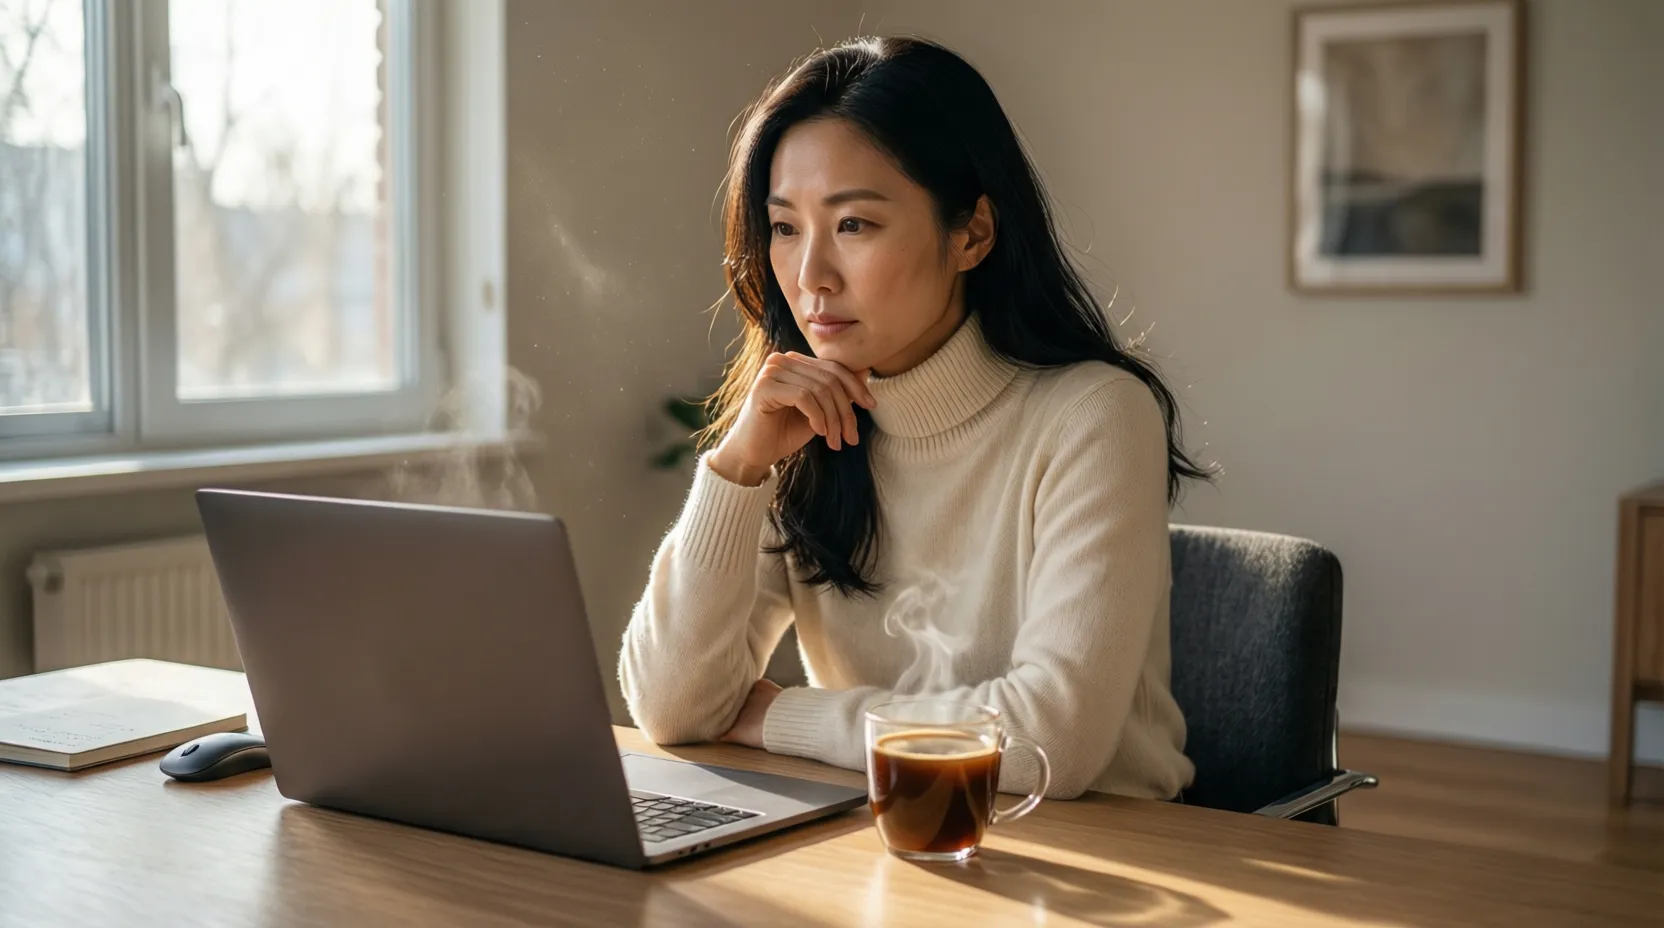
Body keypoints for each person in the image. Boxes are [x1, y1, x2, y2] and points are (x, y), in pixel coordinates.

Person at [618, 36, 1212, 800]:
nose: (809, 277)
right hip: (880, 844)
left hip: (1103, 861)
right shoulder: (803, 422)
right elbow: (671, 707)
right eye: (786, 227)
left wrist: (779, 719)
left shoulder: (1092, 416)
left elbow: (1049, 742)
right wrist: (739, 465)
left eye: (854, 225)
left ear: (971, 233)